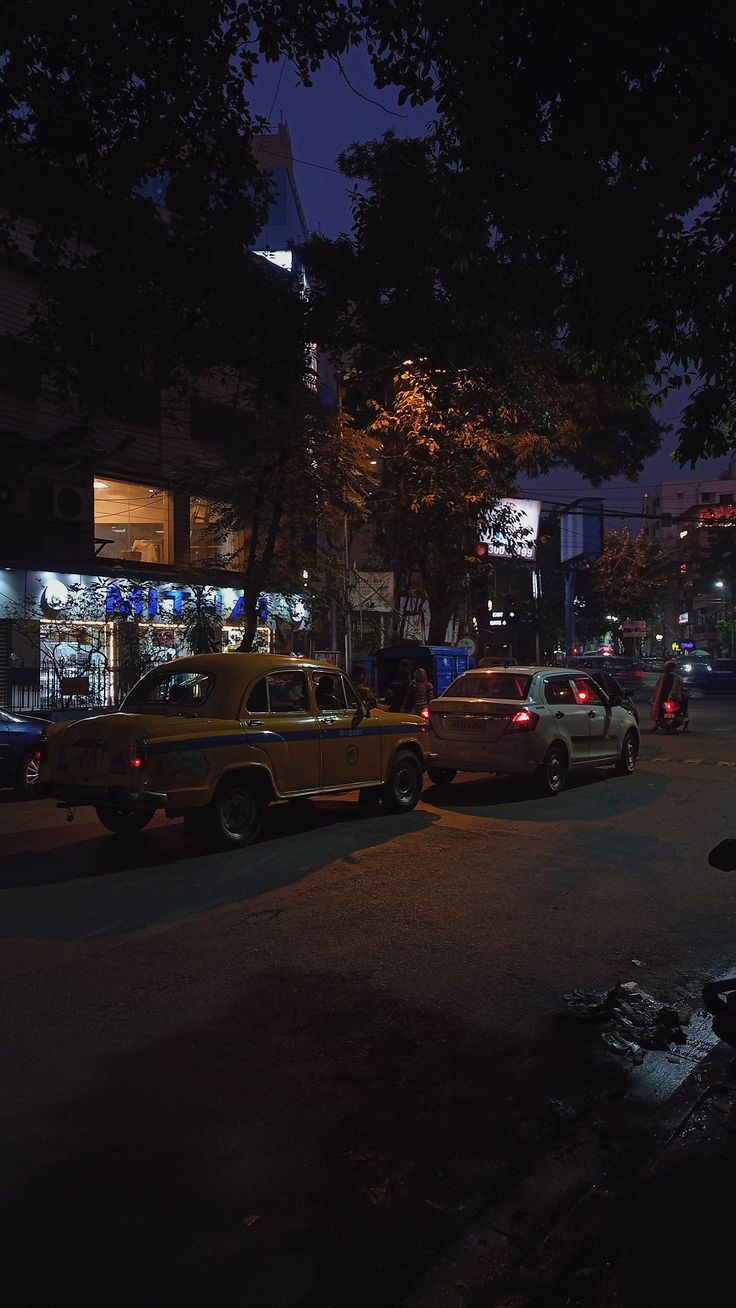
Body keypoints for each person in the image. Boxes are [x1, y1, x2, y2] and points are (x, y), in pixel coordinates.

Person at [649, 659, 688, 731]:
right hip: (669, 699)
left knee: (683, 707)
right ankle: (685, 723)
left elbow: (656, 689)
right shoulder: (671, 677)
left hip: (670, 699)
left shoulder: (665, 677)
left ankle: (656, 724)